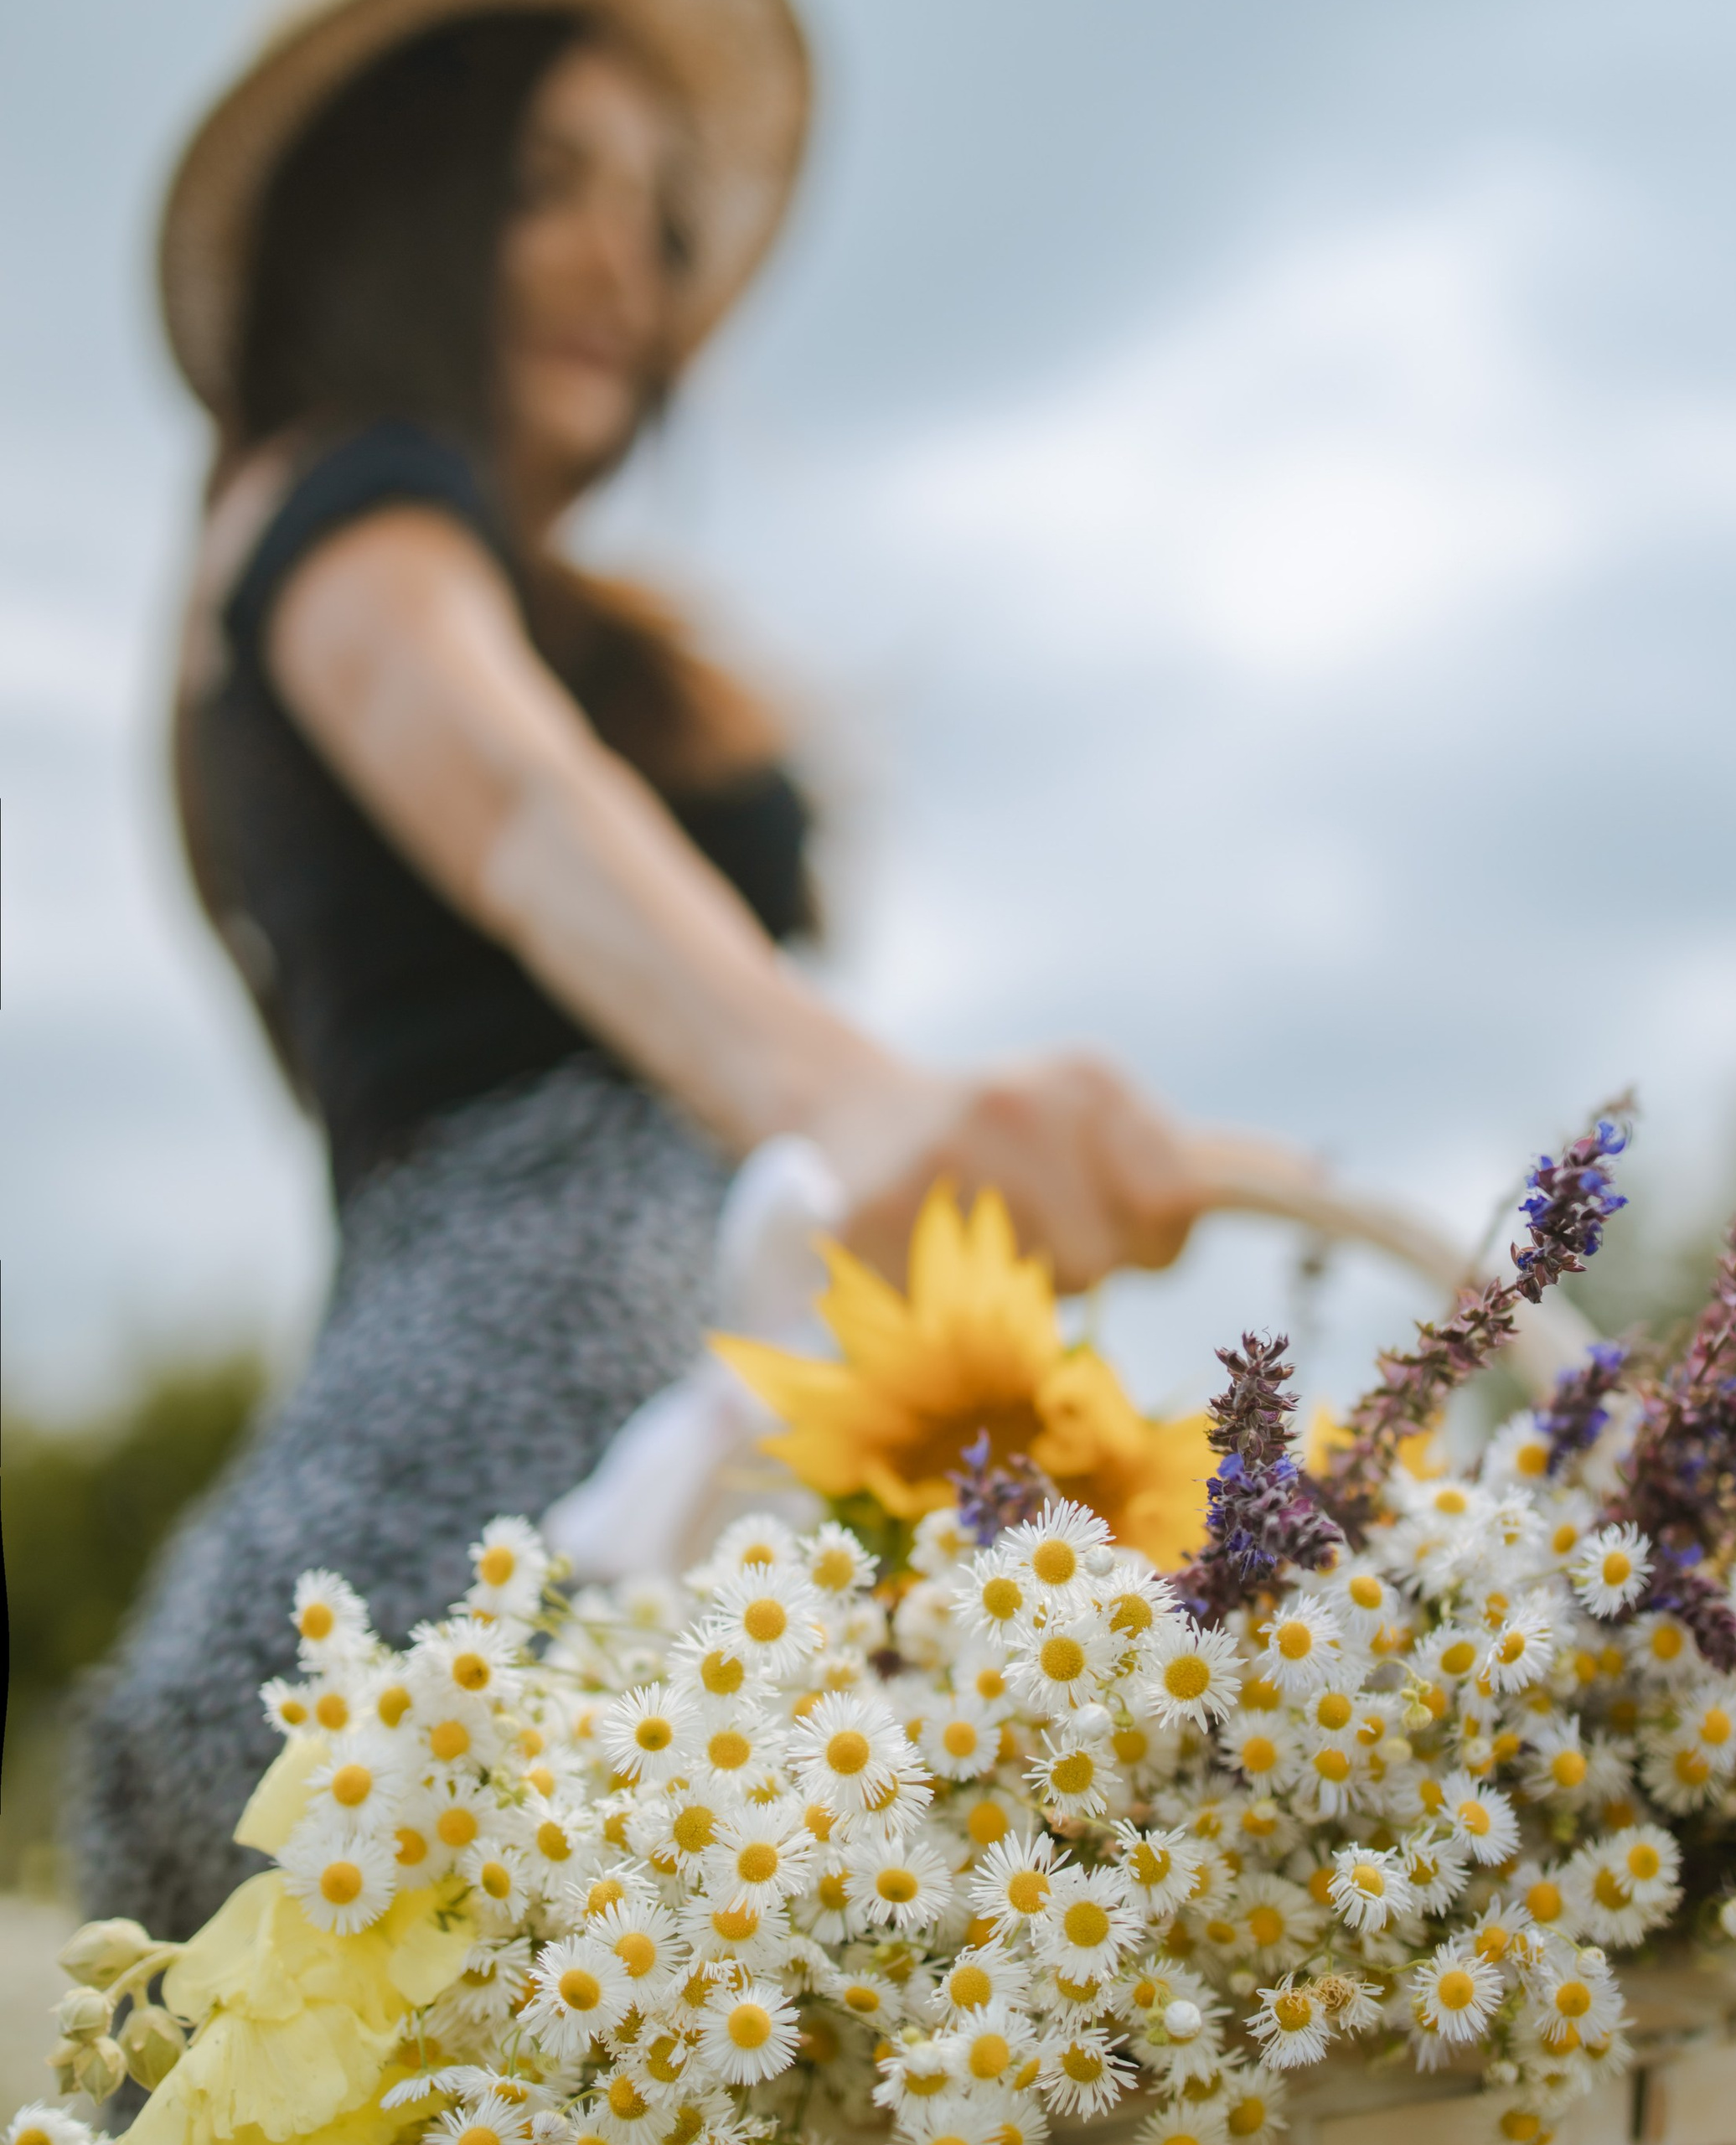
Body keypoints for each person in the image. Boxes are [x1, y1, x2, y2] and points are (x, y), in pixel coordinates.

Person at [75, 0, 1248, 1941]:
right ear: (399, 214)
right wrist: (863, 1101)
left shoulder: (603, 632)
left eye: (659, 217)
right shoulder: (330, 502)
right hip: (456, 1540)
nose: (627, 262)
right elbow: (528, 820)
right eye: (547, 184)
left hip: (677, 1488)